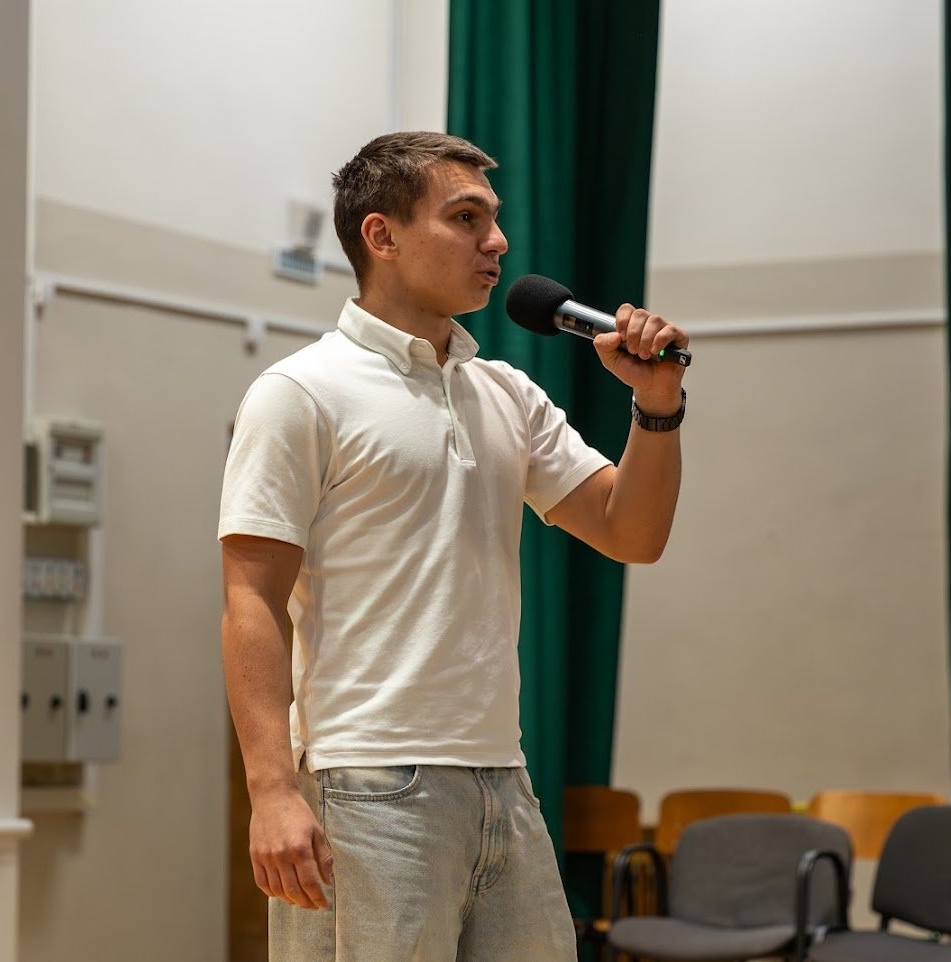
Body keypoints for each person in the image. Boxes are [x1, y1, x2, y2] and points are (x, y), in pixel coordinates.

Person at [219, 131, 688, 962]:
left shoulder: (505, 391)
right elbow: (249, 598)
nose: (497, 242)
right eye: (466, 218)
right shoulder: (300, 391)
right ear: (382, 235)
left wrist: (656, 406)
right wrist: (272, 791)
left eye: (494, 219)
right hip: (366, 780)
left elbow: (632, 533)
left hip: (502, 777)